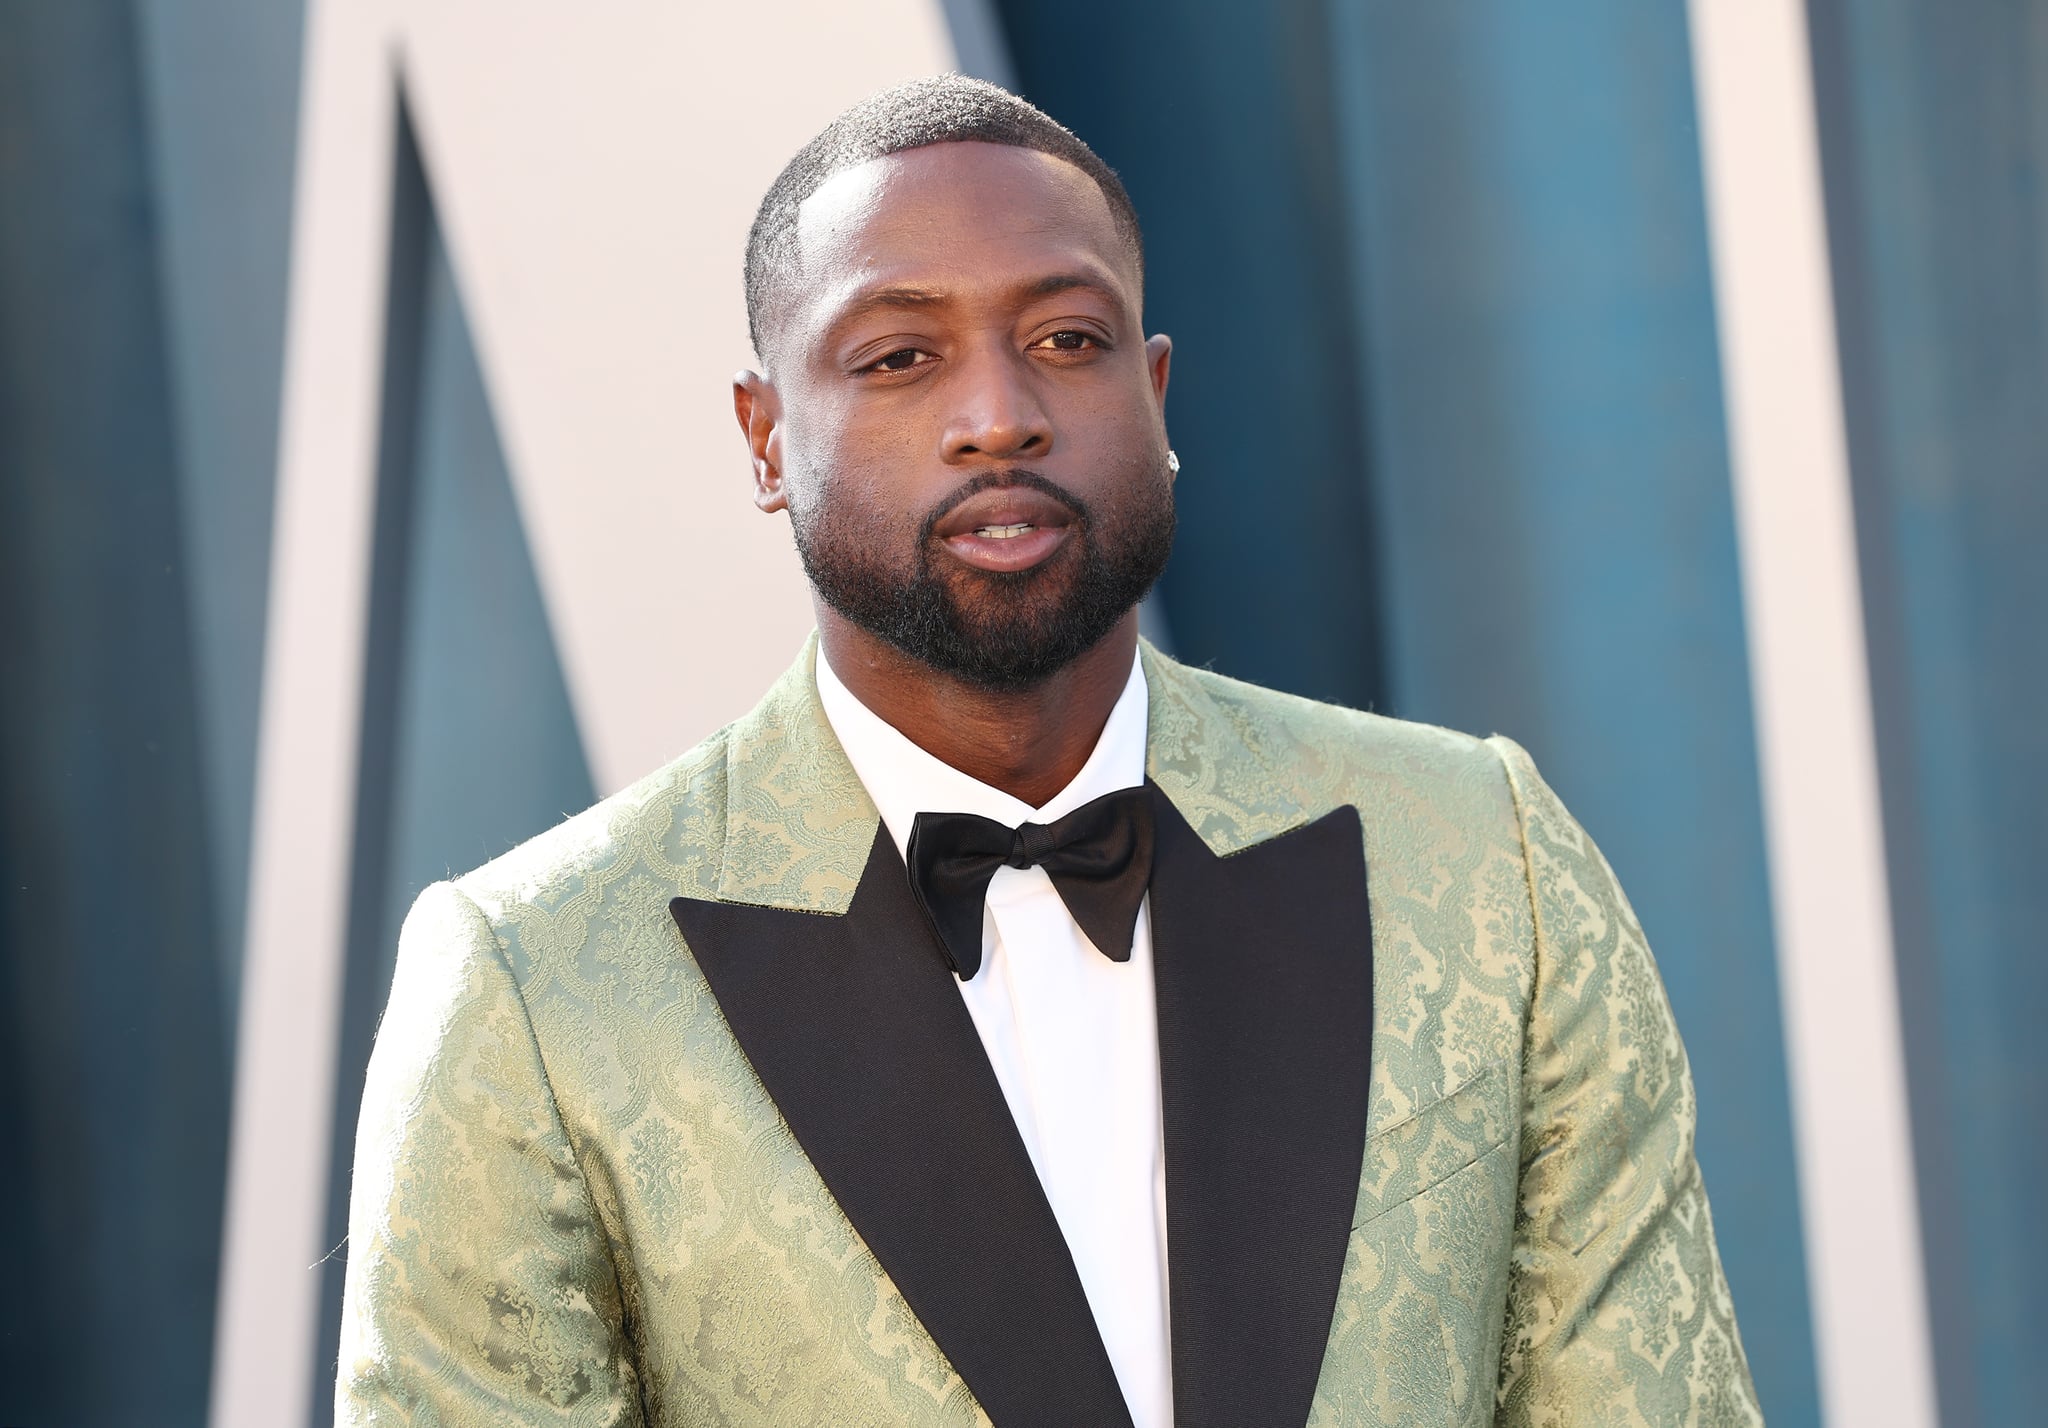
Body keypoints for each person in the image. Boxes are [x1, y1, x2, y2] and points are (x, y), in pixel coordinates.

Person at [337, 75, 1761, 1427]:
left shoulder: (1480, 860)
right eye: (899, 357)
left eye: (1066, 341)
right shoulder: (536, 980)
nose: (999, 414)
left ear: (1155, 393)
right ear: (766, 440)